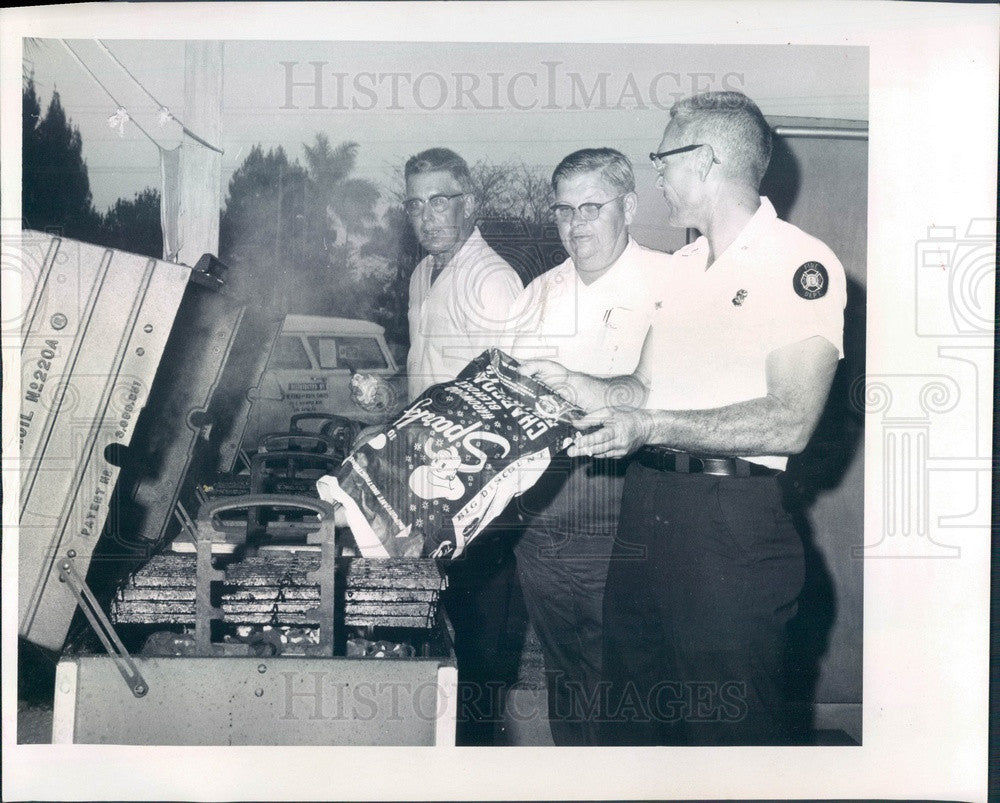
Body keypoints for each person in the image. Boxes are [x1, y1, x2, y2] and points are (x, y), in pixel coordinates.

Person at [522, 91, 847, 745]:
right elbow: (641, 389)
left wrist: (650, 428)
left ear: (705, 160)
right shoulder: (679, 268)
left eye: (663, 158)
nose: (658, 174)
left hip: (730, 526)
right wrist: (575, 384)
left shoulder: (799, 263)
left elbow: (791, 420)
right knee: (630, 726)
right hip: (648, 513)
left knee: (730, 734)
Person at [507, 148, 672, 745]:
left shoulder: (671, 282)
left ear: (628, 206)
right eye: (563, 210)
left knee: (624, 672)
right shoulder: (537, 293)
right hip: (540, 509)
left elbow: (670, 398)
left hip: (624, 504)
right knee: (564, 672)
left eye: (592, 208)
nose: (576, 225)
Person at [401, 147, 525, 745]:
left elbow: (504, 406)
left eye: (440, 201)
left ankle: (477, 762)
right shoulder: (422, 273)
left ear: (470, 203)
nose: (427, 216)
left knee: (479, 652)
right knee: (437, 636)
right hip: (427, 487)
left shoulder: (493, 280)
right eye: (416, 204)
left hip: (479, 498)